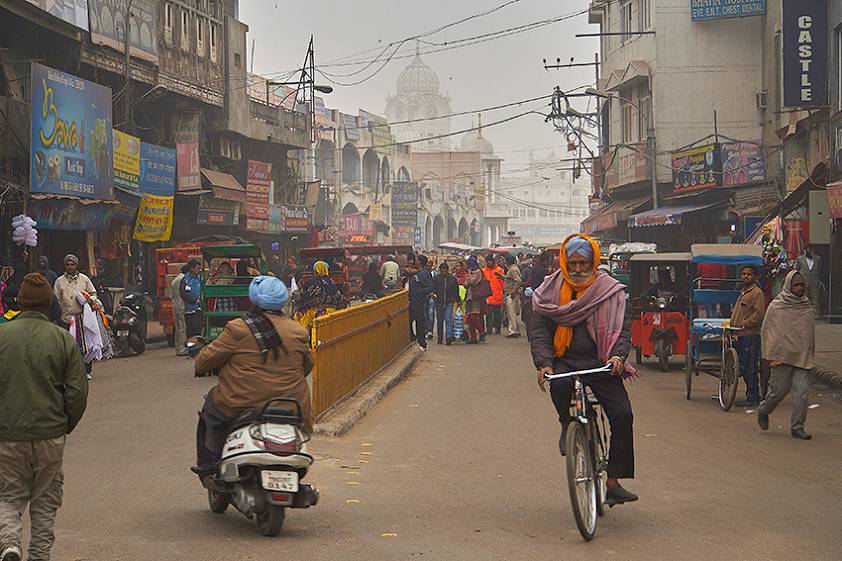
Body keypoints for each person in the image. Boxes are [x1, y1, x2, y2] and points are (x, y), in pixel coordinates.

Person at [530, 234, 638, 506]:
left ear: (594, 262)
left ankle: (613, 481)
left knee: (623, 414)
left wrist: (617, 356)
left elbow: (623, 331)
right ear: (565, 262)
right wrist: (544, 363)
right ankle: (566, 424)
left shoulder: (612, 290)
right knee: (560, 386)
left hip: (600, 361)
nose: (578, 269)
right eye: (573, 263)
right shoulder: (548, 291)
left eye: (584, 263)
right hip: (563, 359)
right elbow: (539, 332)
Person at [0, 273, 88, 561]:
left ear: (20, 302)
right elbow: (77, 392)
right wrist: (64, 425)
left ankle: (9, 542)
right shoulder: (62, 339)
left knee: (8, 494)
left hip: (9, 434)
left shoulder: (2, 337)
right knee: (45, 499)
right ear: (48, 303)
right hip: (50, 434)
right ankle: (38, 555)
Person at [192, 276, 313, 476]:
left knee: (211, 403)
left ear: (253, 299)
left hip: (242, 404)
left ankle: (209, 462)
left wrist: (203, 365)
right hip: (290, 405)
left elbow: (205, 360)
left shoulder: (238, 328)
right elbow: (307, 366)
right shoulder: (298, 331)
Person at [757, 271, 816, 440]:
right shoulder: (777, 306)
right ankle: (764, 409)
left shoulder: (807, 307)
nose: (799, 288)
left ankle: (797, 427)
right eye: (796, 285)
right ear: (789, 286)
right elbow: (768, 331)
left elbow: (809, 333)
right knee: (779, 391)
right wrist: (770, 353)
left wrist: (810, 352)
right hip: (780, 355)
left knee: (802, 393)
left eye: (802, 285)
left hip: (802, 356)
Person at [53, 254, 99, 379]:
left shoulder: (84, 279)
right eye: (68, 264)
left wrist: (90, 299)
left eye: (72, 264)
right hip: (66, 319)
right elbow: (55, 299)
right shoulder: (59, 281)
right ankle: (69, 372)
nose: (70, 266)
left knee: (85, 345)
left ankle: (86, 370)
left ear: (76, 265)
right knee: (67, 348)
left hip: (82, 319)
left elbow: (93, 293)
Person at [730, 264, 766, 407]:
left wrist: (746, 323)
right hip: (741, 334)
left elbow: (759, 314)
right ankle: (751, 395)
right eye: (744, 274)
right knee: (744, 366)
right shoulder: (744, 291)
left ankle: (753, 397)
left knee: (750, 367)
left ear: (756, 277)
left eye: (749, 274)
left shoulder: (757, 293)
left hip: (750, 335)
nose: (746, 276)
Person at [295, 261, 342, 333]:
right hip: (330, 312)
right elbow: (338, 297)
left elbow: (302, 296)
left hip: (313, 313)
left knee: (297, 319)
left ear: (316, 271)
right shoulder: (331, 282)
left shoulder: (310, 282)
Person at [407, 254, 433, 350]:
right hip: (413, 301)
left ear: (420, 262)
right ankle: (414, 339)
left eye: (417, 260)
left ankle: (421, 342)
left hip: (419, 301)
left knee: (420, 322)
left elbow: (430, 287)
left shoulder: (424, 274)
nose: (415, 261)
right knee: (409, 321)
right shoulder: (417, 273)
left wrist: (420, 292)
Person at [431, 262, 459, 345]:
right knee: (439, 321)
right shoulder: (436, 279)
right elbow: (433, 289)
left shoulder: (452, 279)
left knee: (448, 320)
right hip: (438, 303)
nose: (444, 272)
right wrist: (432, 294)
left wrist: (458, 300)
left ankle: (448, 337)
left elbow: (456, 291)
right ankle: (440, 338)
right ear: (440, 270)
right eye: (442, 271)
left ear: (447, 270)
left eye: (445, 271)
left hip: (449, 303)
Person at [464, 256, 487, 344]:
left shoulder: (477, 272)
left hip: (475, 297)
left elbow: (469, 282)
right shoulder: (472, 272)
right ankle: (473, 337)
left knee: (473, 316)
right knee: (469, 318)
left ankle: (481, 331)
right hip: (469, 297)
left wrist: (468, 277)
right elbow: (465, 284)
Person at [794, 246, 821, 315]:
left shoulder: (818, 258)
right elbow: (796, 269)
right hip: (803, 282)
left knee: (815, 298)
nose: (810, 252)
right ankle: (803, 313)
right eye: (808, 250)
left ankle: (815, 313)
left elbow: (820, 269)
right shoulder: (800, 259)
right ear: (805, 251)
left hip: (814, 281)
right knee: (803, 298)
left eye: (811, 250)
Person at [180, 260, 203, 340]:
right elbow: (184, 294)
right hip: (189, 311)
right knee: (190, 331)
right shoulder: (185, 280)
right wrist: (196, 300)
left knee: (198, 330)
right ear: (192, 269)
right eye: (197, 268)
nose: (199, 270)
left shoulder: (201, 278)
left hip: (199, 310)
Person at [501, 254, 523, 338]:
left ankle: (513, 331)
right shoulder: (512, 268)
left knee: (511, 313)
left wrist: (513, 292)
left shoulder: (512, 269)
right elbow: (510, 279)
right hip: (512, 293)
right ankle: (515, 329)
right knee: (511, 312)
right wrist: (502, 277)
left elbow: (518, 281)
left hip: (511, 293)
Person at [483, 254, 505, 335]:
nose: (489, 263)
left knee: (497, 314)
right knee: (488, 314)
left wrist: (503, 292)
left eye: (490, 261)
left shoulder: (499, 270)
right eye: (487, 261)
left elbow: (503, 283)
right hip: (488, 296)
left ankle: (497, 329)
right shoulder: (484, 271)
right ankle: (489, 329)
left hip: (497, 295)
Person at [172, 264, 187, 356]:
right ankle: (182, 349)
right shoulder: (183, 279)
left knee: (178, 327)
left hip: (176, 304)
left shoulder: (175, 280)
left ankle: (178, 347)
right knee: (182, 327)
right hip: (181, 305)